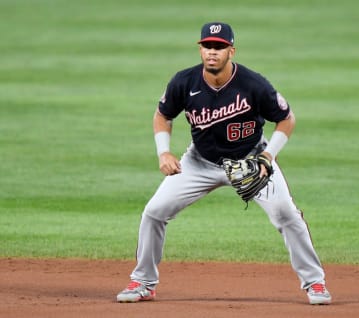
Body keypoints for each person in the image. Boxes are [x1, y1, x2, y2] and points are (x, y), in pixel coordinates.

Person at [116, 22, 331, 305]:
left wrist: (268, 157)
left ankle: (315, 283)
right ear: (200, 49)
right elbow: (162, 115)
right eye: (207, 46)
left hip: (250, 159)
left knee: (286, 214)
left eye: (219, 47)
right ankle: (143, 282)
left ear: (232, 50)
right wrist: (163, 153)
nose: (212, 52)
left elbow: (286, 119)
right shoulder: (184, 81)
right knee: (155, 212)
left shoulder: (253, 84)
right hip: (199, 162)